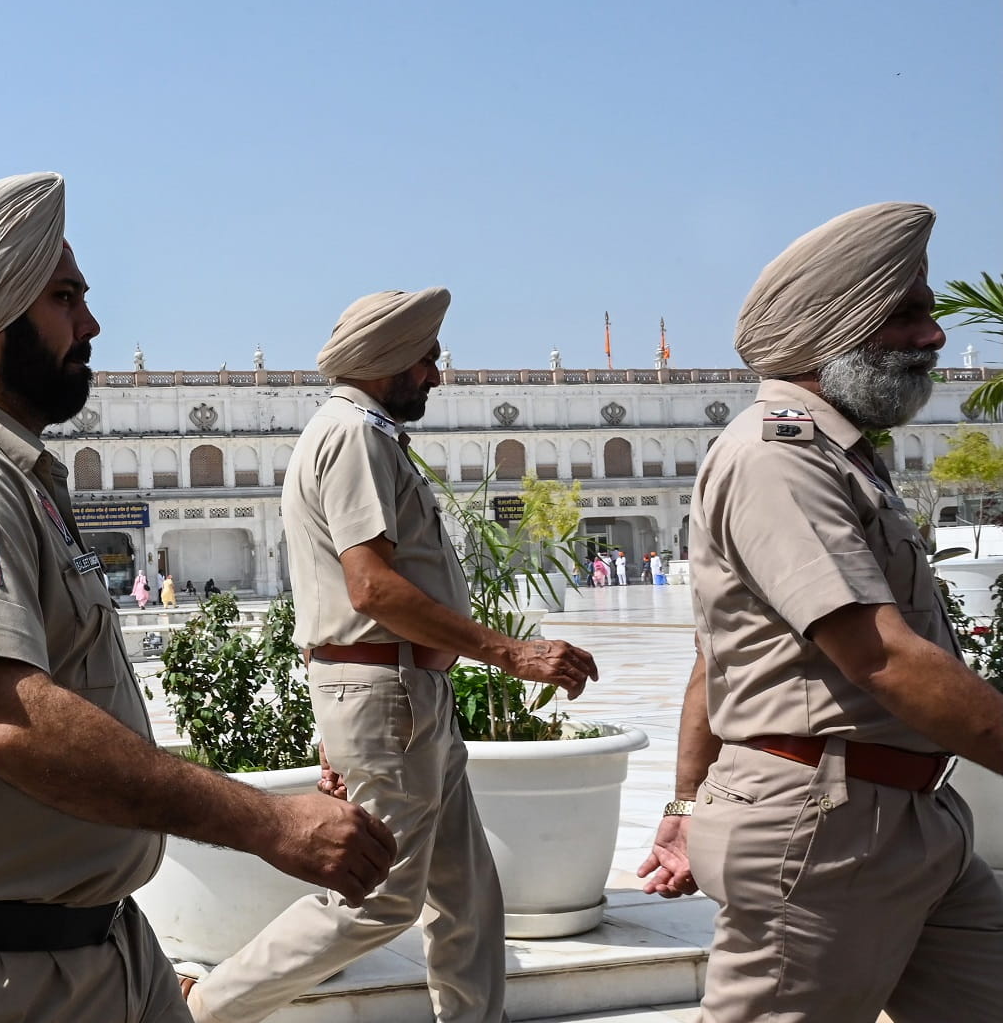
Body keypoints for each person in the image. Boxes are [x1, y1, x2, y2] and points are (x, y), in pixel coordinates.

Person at [0, 172, 395, 1023]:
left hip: (94, 950)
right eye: (65, 299)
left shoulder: (12, 475)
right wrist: (270, 824)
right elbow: (6, 719)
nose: (90, 324)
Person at [181, 288, 597, 1023]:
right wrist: (511, 654)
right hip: (388, 693)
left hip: (407, 694)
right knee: (379, 896)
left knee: (465, 891)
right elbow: (370, 587)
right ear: (388, 362)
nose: (436, 375)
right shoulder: (354, 436)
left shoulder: (365, 433)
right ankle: (201, 1007)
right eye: (427, 359)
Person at [637, 202, 1003, 1021]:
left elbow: (716, 655)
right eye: (907, 315)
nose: (934, 336)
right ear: (837, 326)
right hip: (827, 834)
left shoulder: (839, 456)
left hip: (907, 819)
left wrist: (685, 806)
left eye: (930, 312)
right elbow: (883, 657)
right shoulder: (778, 456)